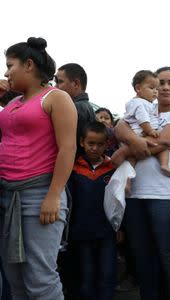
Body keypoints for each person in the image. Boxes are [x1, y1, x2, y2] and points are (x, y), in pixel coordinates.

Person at [0, 37, 77, 299]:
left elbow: (68, 149)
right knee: (15, 278)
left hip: (40, 195)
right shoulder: (11, 103)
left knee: (40, 279)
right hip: (8, 196)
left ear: (29, 65)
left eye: (10, 65)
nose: (6, 72)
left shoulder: (56, 97)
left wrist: (54, 195)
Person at [113, 66, 170, 299]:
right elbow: (119, 127)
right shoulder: (141, 108)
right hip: (135, 194)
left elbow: (164, 141)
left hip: (168, 194)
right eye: (160, 82)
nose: (165, 87)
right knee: (142, 257)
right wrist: (132, 141)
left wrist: (125, 151)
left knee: (169, 255)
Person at [68, 122, 116, 299]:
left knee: (107, 276)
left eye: (100, 144)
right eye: (90, 143)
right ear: (82, 142)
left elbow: (119, 204)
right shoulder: (73, 168)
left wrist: (121, 229)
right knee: (85, 279)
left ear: (107, 144)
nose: (95, 148)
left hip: (107, 232)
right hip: (81, 232)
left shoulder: (113, 168)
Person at [55, 63, 95, 153]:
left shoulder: (75, 108)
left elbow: (67, 148)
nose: (55, 87)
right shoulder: (86, 107)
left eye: (60, 82)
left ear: (76, 83)